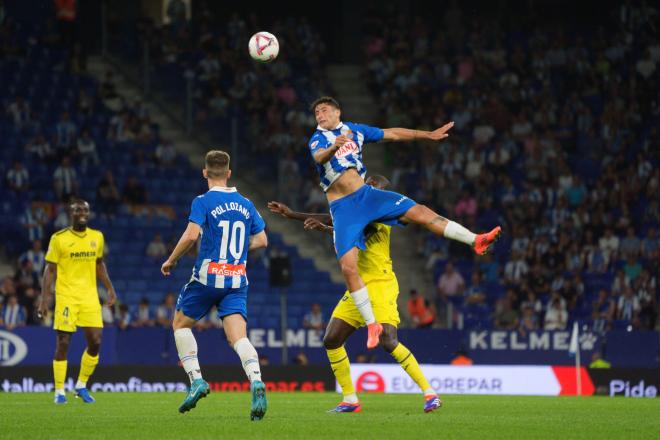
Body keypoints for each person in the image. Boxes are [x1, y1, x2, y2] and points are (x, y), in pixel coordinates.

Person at [306, 96, 501, 348]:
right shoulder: (318, 138)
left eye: (324, 110)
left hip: (368, 196)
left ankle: (475, 239)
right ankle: (372, 326)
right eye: (316, 113)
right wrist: (334, 148)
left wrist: (427, 135)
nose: (319, 115)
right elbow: (319, 157)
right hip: (343, 208)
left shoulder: (355, 131)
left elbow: (393, 134)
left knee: (419, 211)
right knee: (348, 268)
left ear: (337, 112)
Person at [268, 175, 441, 414]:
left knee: (388, 341)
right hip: (359, 285)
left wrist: (325, 229)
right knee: (331, 340)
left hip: (381, 284)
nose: (368, 187)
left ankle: (430, 393)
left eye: (374, 186)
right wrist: (293, 214)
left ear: (382, 193)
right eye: (366, 183)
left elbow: (353, 230)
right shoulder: (357, 208)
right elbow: (337, 218)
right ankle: (350, 399)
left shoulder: (383, 213)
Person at [160, 150, 268, 419]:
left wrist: (171, 260)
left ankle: (196, 380)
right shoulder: (246, 203)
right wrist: (239, 251)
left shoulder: (203, 201)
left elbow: (190, 235)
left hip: (208, 277)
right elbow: (262, 240)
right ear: (229, 173)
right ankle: (256, 380)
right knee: (238, 337)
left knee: (180, 325)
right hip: (236, 278)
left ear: (205, 173)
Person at [37, 199, 118, 404]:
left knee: (96, 342)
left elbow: (99, 264)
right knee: (63, 342)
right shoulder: (59, 238)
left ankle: (81, 385)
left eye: (85, 209)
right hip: (66, 297)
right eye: (78, 209)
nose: (82, 212)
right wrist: (44, 299)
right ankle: (59, 391)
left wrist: (109, 288)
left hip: (89, 297)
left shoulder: (97, 237)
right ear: (70, 213)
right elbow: (50, 269)